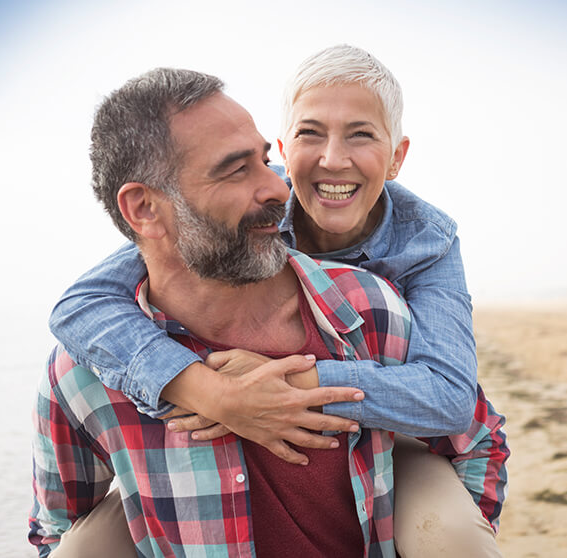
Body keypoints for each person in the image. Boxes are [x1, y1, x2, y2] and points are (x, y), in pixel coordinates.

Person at [46, 46, 508, 555]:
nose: (333, 159)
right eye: (311, 134)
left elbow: (453, 402)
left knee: (453, 533)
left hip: (388, 422)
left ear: (397, 156)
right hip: (186, 456)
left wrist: (298, 382)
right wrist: (211, 392)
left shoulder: (422, 248)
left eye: (361, 134)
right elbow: (86, 301)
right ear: (287, 151)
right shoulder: (254, 211)